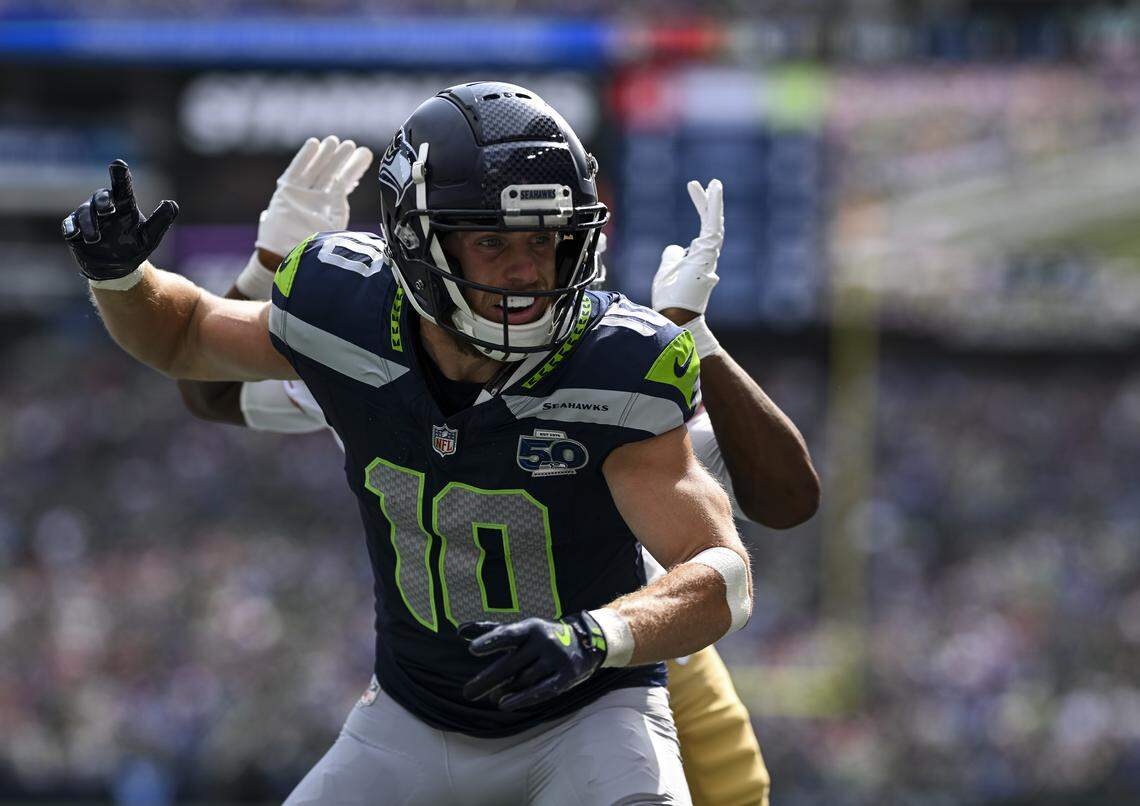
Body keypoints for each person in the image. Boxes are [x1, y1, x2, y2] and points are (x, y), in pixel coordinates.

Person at [62, 82, 761, 805]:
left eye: (543, 239)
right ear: (414, 239)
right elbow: (188, 338)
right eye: (491, 241)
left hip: (587, 715)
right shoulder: (348, 310)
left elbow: (722, 574)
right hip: (411, 721)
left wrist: (597, 637)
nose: (525, 270)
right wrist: (121, 278)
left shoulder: (619, 362)